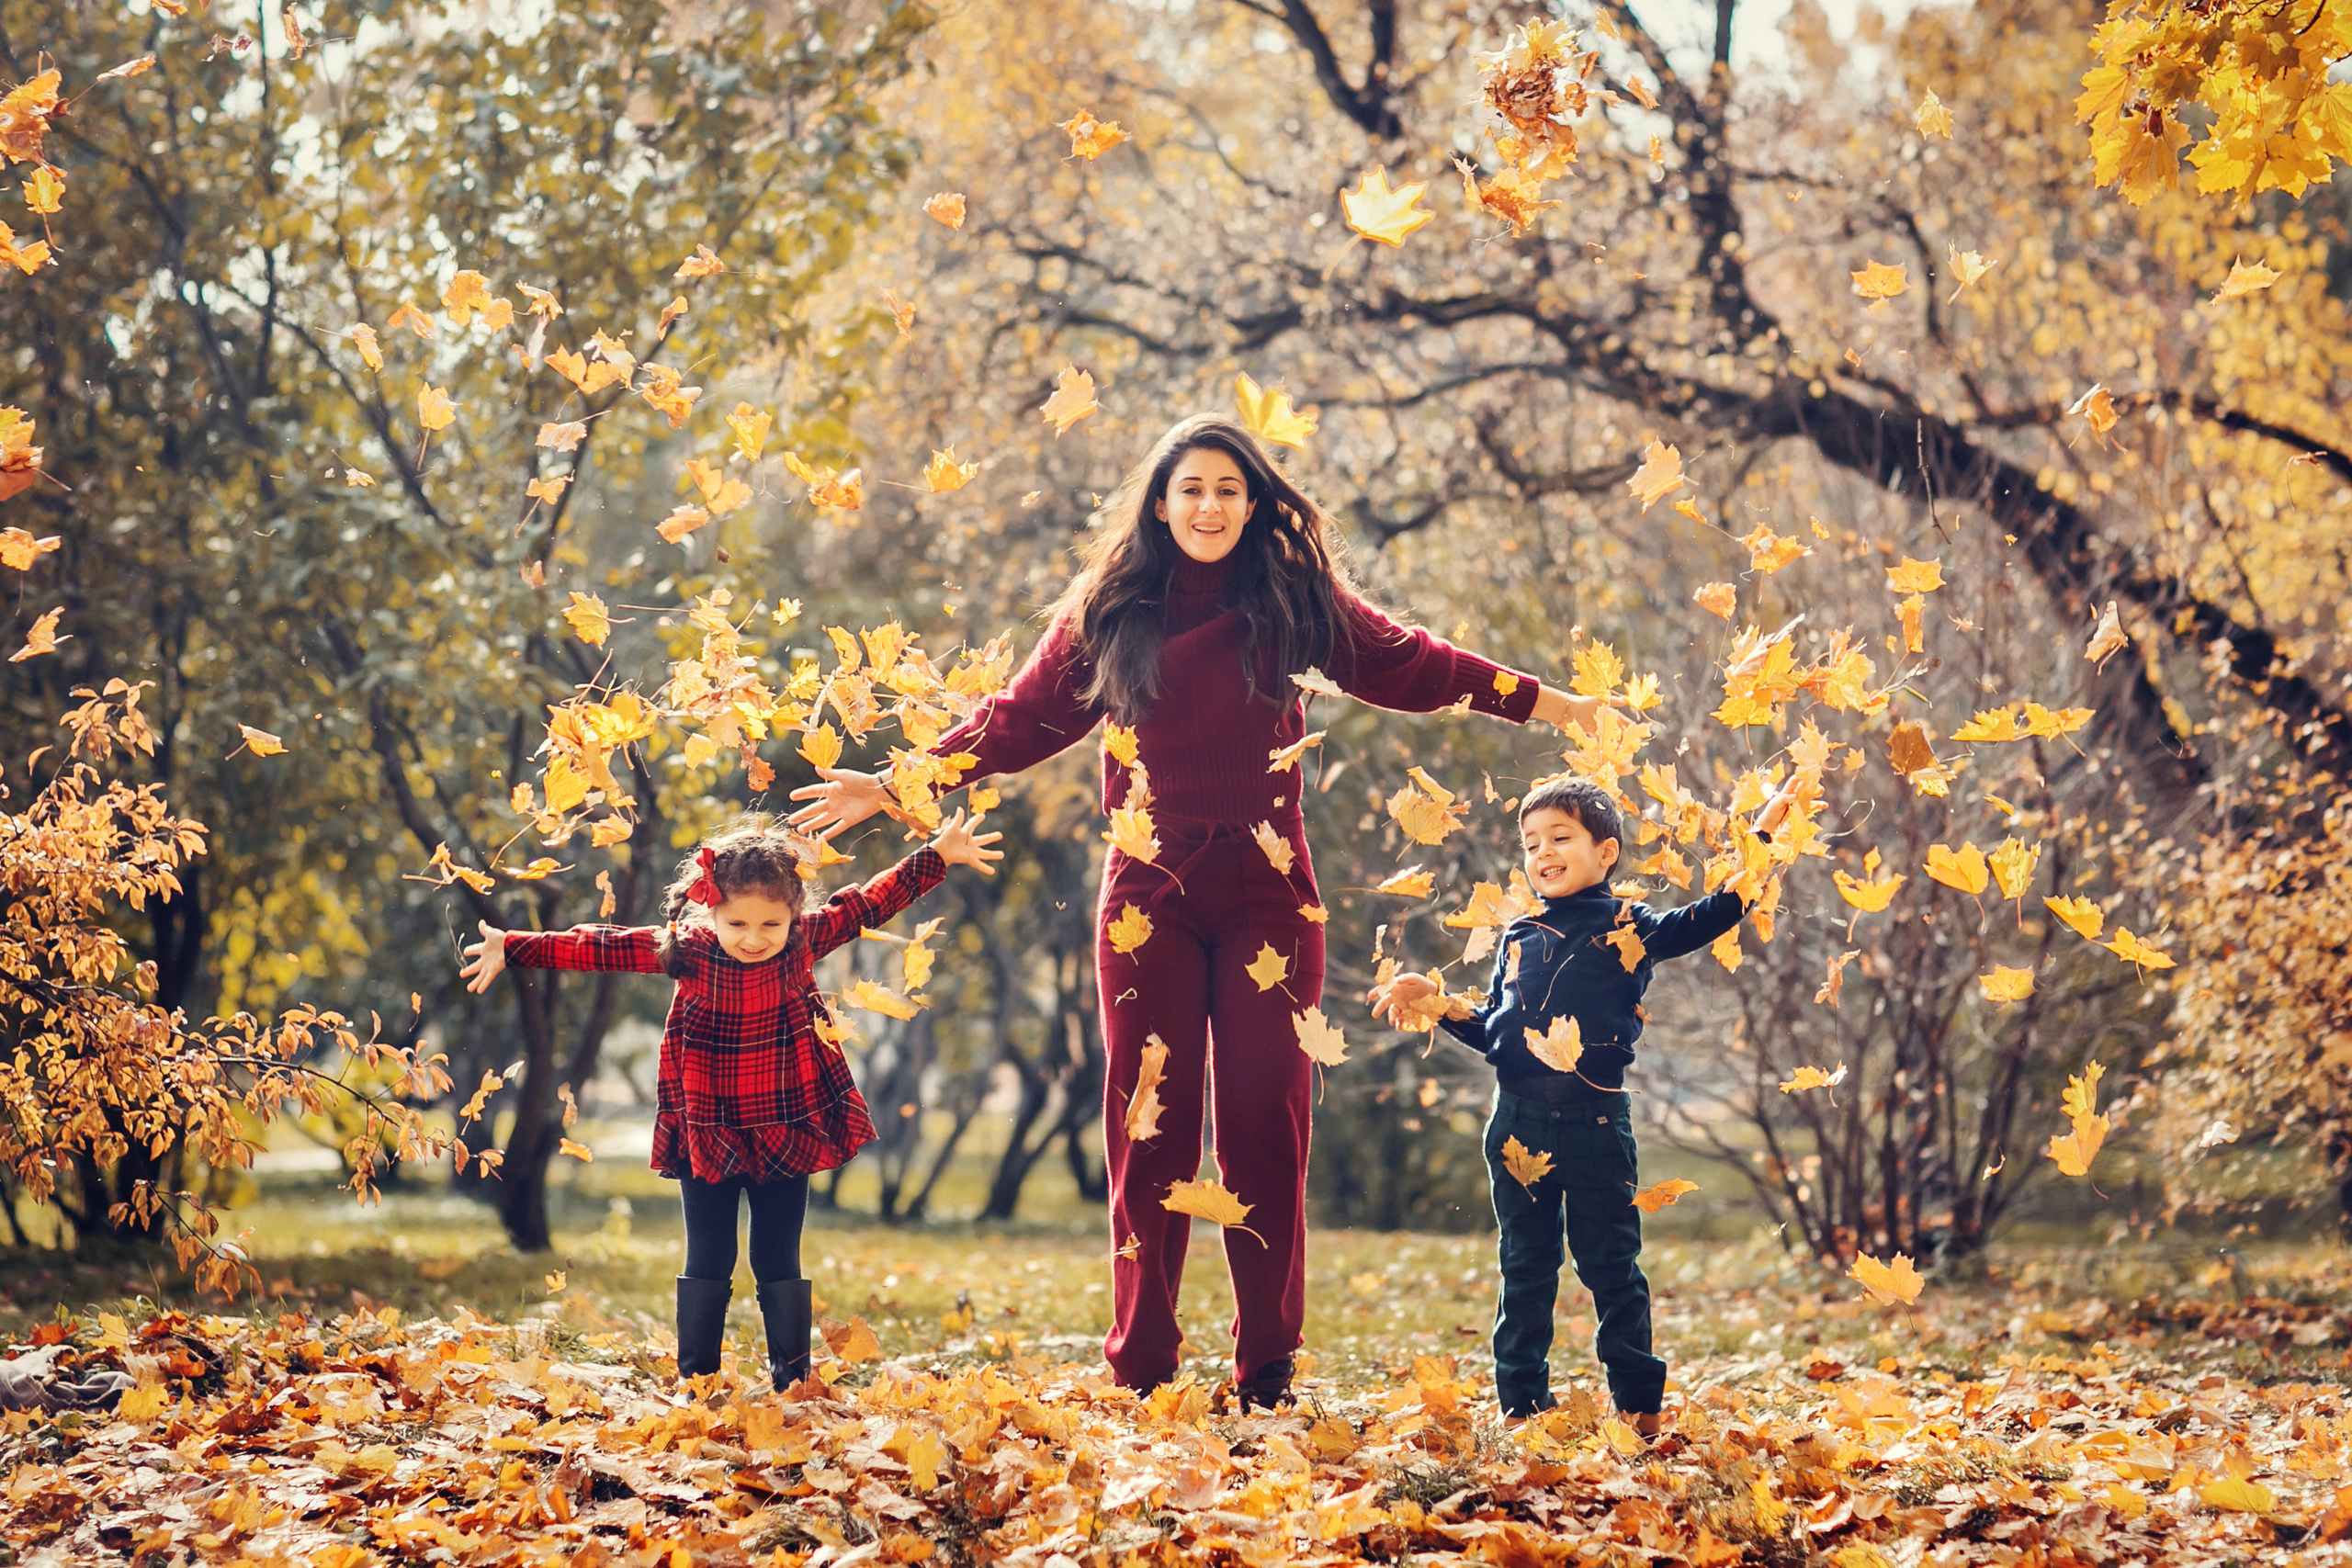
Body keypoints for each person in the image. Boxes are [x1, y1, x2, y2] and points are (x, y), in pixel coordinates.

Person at [788, 412, 1598, 1408]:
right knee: (1150, 1122)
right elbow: (1016, 722)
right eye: (1191, 490)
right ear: (1161, 505)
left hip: (1270, 895)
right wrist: (896, 782)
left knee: (1265, 1121)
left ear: (1253, 505)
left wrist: (1557, 706)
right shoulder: (1110, 609)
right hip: (1148, 897)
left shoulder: (1296, 600)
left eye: (1227, 489)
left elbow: (1418, 664)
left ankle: (1267, 1371)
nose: (1209, 507)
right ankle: (1142, 1367)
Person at [458, 810, 1002, 1389]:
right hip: (708, 1126)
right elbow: (601, 947)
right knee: (709, 1254)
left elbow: (870, 901)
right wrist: (512, 946)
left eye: (771, 923)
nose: (753, 938)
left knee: (777, 1256)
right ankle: (698, 1384)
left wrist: (937, 854)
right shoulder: (685, 950)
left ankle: (793, 1384)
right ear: (711, 913)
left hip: (786, 1123)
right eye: (737, 922)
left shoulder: (804, 942)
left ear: (794, 914)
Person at [1370, 775, 1799, 1433]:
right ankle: (1521, 1404)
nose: (1543, 851)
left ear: (1606, 852)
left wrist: (1761, 838)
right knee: (1525, 1266)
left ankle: (1637, 1406)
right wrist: (1438, 1001)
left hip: (1596, 1125)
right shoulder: (1519, 935)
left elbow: (1711, 913)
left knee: (1610, 1265)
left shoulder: (1629, 924)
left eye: (1560, 837)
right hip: (1517, 1124)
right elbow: (1497, 1034)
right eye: (1531, 842)